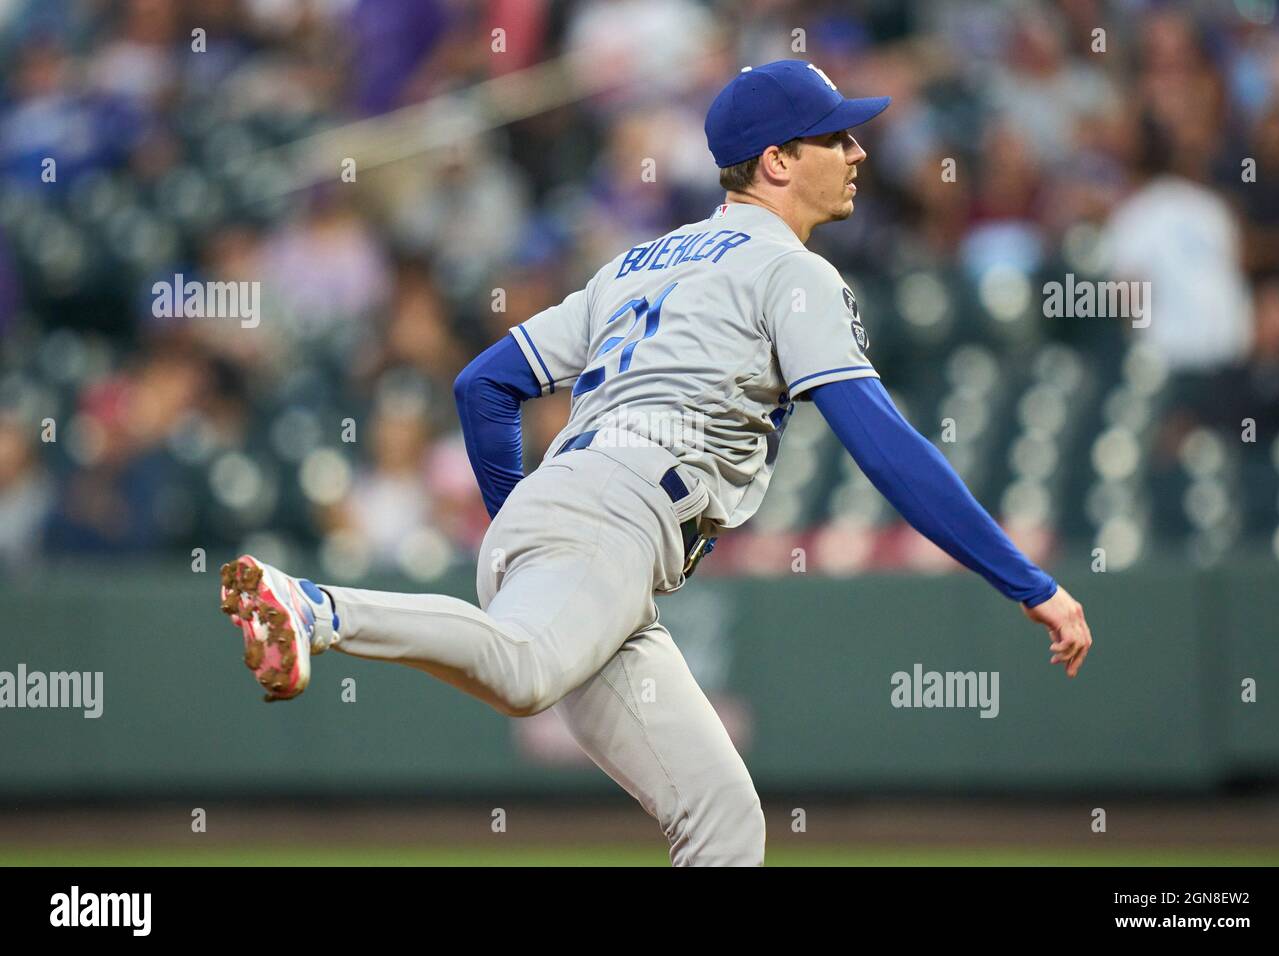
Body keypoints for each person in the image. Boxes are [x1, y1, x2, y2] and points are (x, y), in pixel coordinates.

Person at [218, 60, 1093, 867]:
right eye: (836, 136)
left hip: (591, 525)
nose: (859, 150)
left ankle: (334, 607)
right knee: (524, 672)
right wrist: (1028, 583)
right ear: (778, 161)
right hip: (618, 512)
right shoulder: (791, 274)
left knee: (723, 817)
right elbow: (886, 445)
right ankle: (319, 608)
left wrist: (521, 517)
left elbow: (484, 385)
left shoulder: (638, 265)